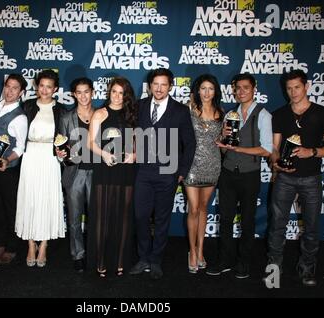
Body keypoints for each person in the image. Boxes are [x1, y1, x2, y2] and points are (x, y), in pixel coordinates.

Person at [265, 69, 324, 286]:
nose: (293, 92)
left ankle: (307, 268)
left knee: (312, 225)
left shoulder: (323, 113)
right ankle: (273, 269)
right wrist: (277, 163)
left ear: (306, 87)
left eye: (297, 87)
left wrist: (312, 151)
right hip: (284, 179)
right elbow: (274, 149)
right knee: (277, 225)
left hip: (311, 178)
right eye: (289, 88)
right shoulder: (279, 114)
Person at [130, 68, 196, 279]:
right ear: (149, 86)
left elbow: (190, 143)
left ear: (170, 86)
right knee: (140, 217)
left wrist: (181, 172)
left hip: (168, 173)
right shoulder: (139, 106)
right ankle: (143, 258)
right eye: (155, 84)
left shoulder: (180, 110)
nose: (159, 88)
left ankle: (156, 260)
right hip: (142, 172)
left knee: (162, 219)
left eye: (164, 84)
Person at [206, 73, 272, 279]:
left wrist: (240, 149)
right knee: (225, 219)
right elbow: (225, 149)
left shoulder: (263, 115)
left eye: (245, 87)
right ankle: (225, 260)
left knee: (248, 221)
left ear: (254, 89)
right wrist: (223, 140)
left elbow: (267, 150)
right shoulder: (230, 115)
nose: (241, 91)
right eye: (238, 88)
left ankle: (244, 262)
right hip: (228, 173)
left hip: (249, 174)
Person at [87, 77, 137, 277]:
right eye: (114, 91)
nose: (117, 96)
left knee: (123, 216)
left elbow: (137, 142)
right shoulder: (99, 113)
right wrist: (105, 155)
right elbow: (90, 143)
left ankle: (120, 261)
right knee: (102, 217)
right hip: (105, 167)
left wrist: (134, 154)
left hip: (125, 170)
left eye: (122, 93)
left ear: (126, 96)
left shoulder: (131, 115)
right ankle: (100, 261)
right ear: (109, 92)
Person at [15, 70, 65, 268]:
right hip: (30, 156)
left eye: (49, 86)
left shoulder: (61, 110)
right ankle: (30, 244)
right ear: (36, 86)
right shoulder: (26, 106)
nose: (44, 90)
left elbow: (65, 137)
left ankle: (43, 245)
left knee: (47, 199)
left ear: (55, 89)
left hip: (50, 158)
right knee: (30, 199)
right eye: (41, 85)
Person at [0, 74, 28, 264]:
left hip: (7, 171)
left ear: (21, 92)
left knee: (10, 209)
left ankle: (11, 247)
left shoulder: (20, 117)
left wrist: (6, 160)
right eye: (7, 87)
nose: (9, 91)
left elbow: (20, 147)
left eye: (14, 88)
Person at [184, 74, 224, 273]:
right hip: (192, 165)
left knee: (203, 208)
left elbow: (223, 140)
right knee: (193, 209)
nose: (207, 92)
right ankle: (191, 251)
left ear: (215, 91)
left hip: (213, 164)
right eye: (203, 88)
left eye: (211, 88)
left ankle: (201, 250)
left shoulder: (221, 112)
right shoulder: (189, 108)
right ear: (197, 91)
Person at [56, 77, 95, 273]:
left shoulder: (101, 114)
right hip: (75, 173)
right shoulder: (65, 118)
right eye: (78, 92)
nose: (83, 96)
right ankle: (78, 255)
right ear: (73, 94)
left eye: (86, 91)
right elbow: (61, 146)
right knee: (74, 218)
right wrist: (60, 154)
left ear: (93, 92)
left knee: (96, 217)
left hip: (98, 173)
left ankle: (96, 253)